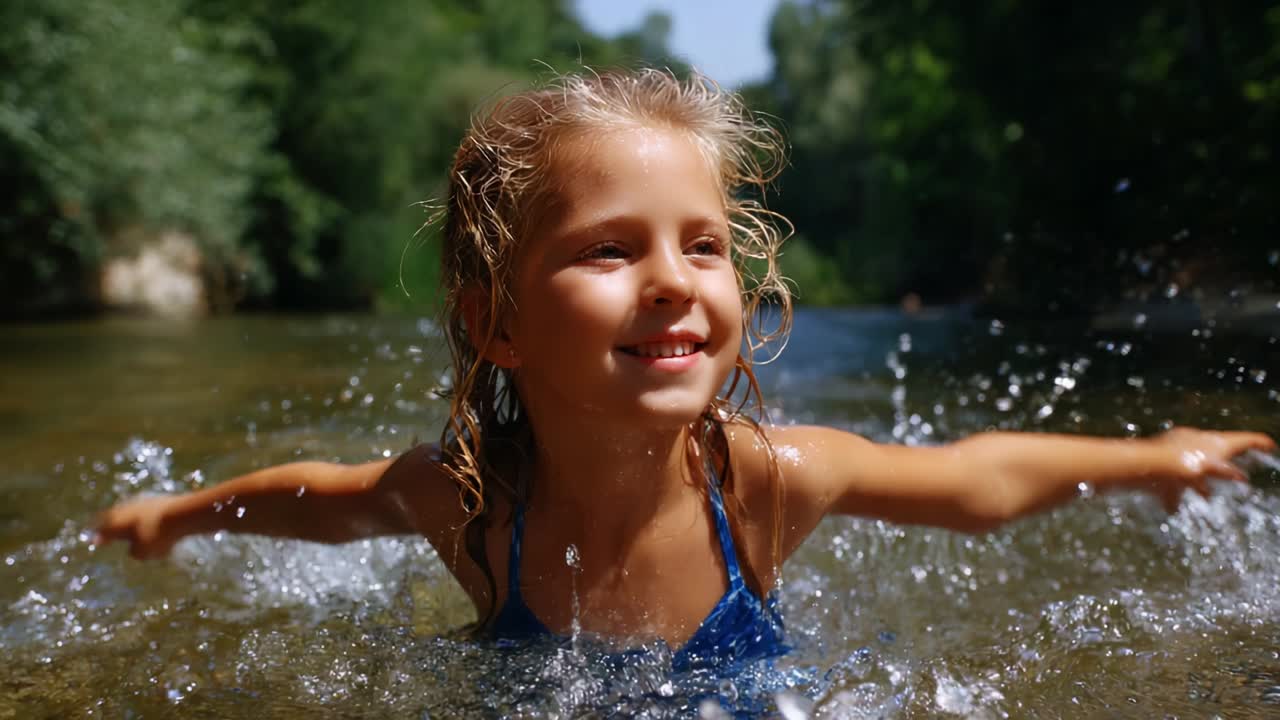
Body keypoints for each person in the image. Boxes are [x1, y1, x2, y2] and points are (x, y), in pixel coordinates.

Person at [95, 70, 1274, 674]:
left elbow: (974, 484)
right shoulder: (470, 501)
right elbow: (320, 499)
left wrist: (1151, 462)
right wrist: (177, 517)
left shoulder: (759, 483)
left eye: (700, 245)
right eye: (609, 250)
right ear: (495, 320)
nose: (671, 280)